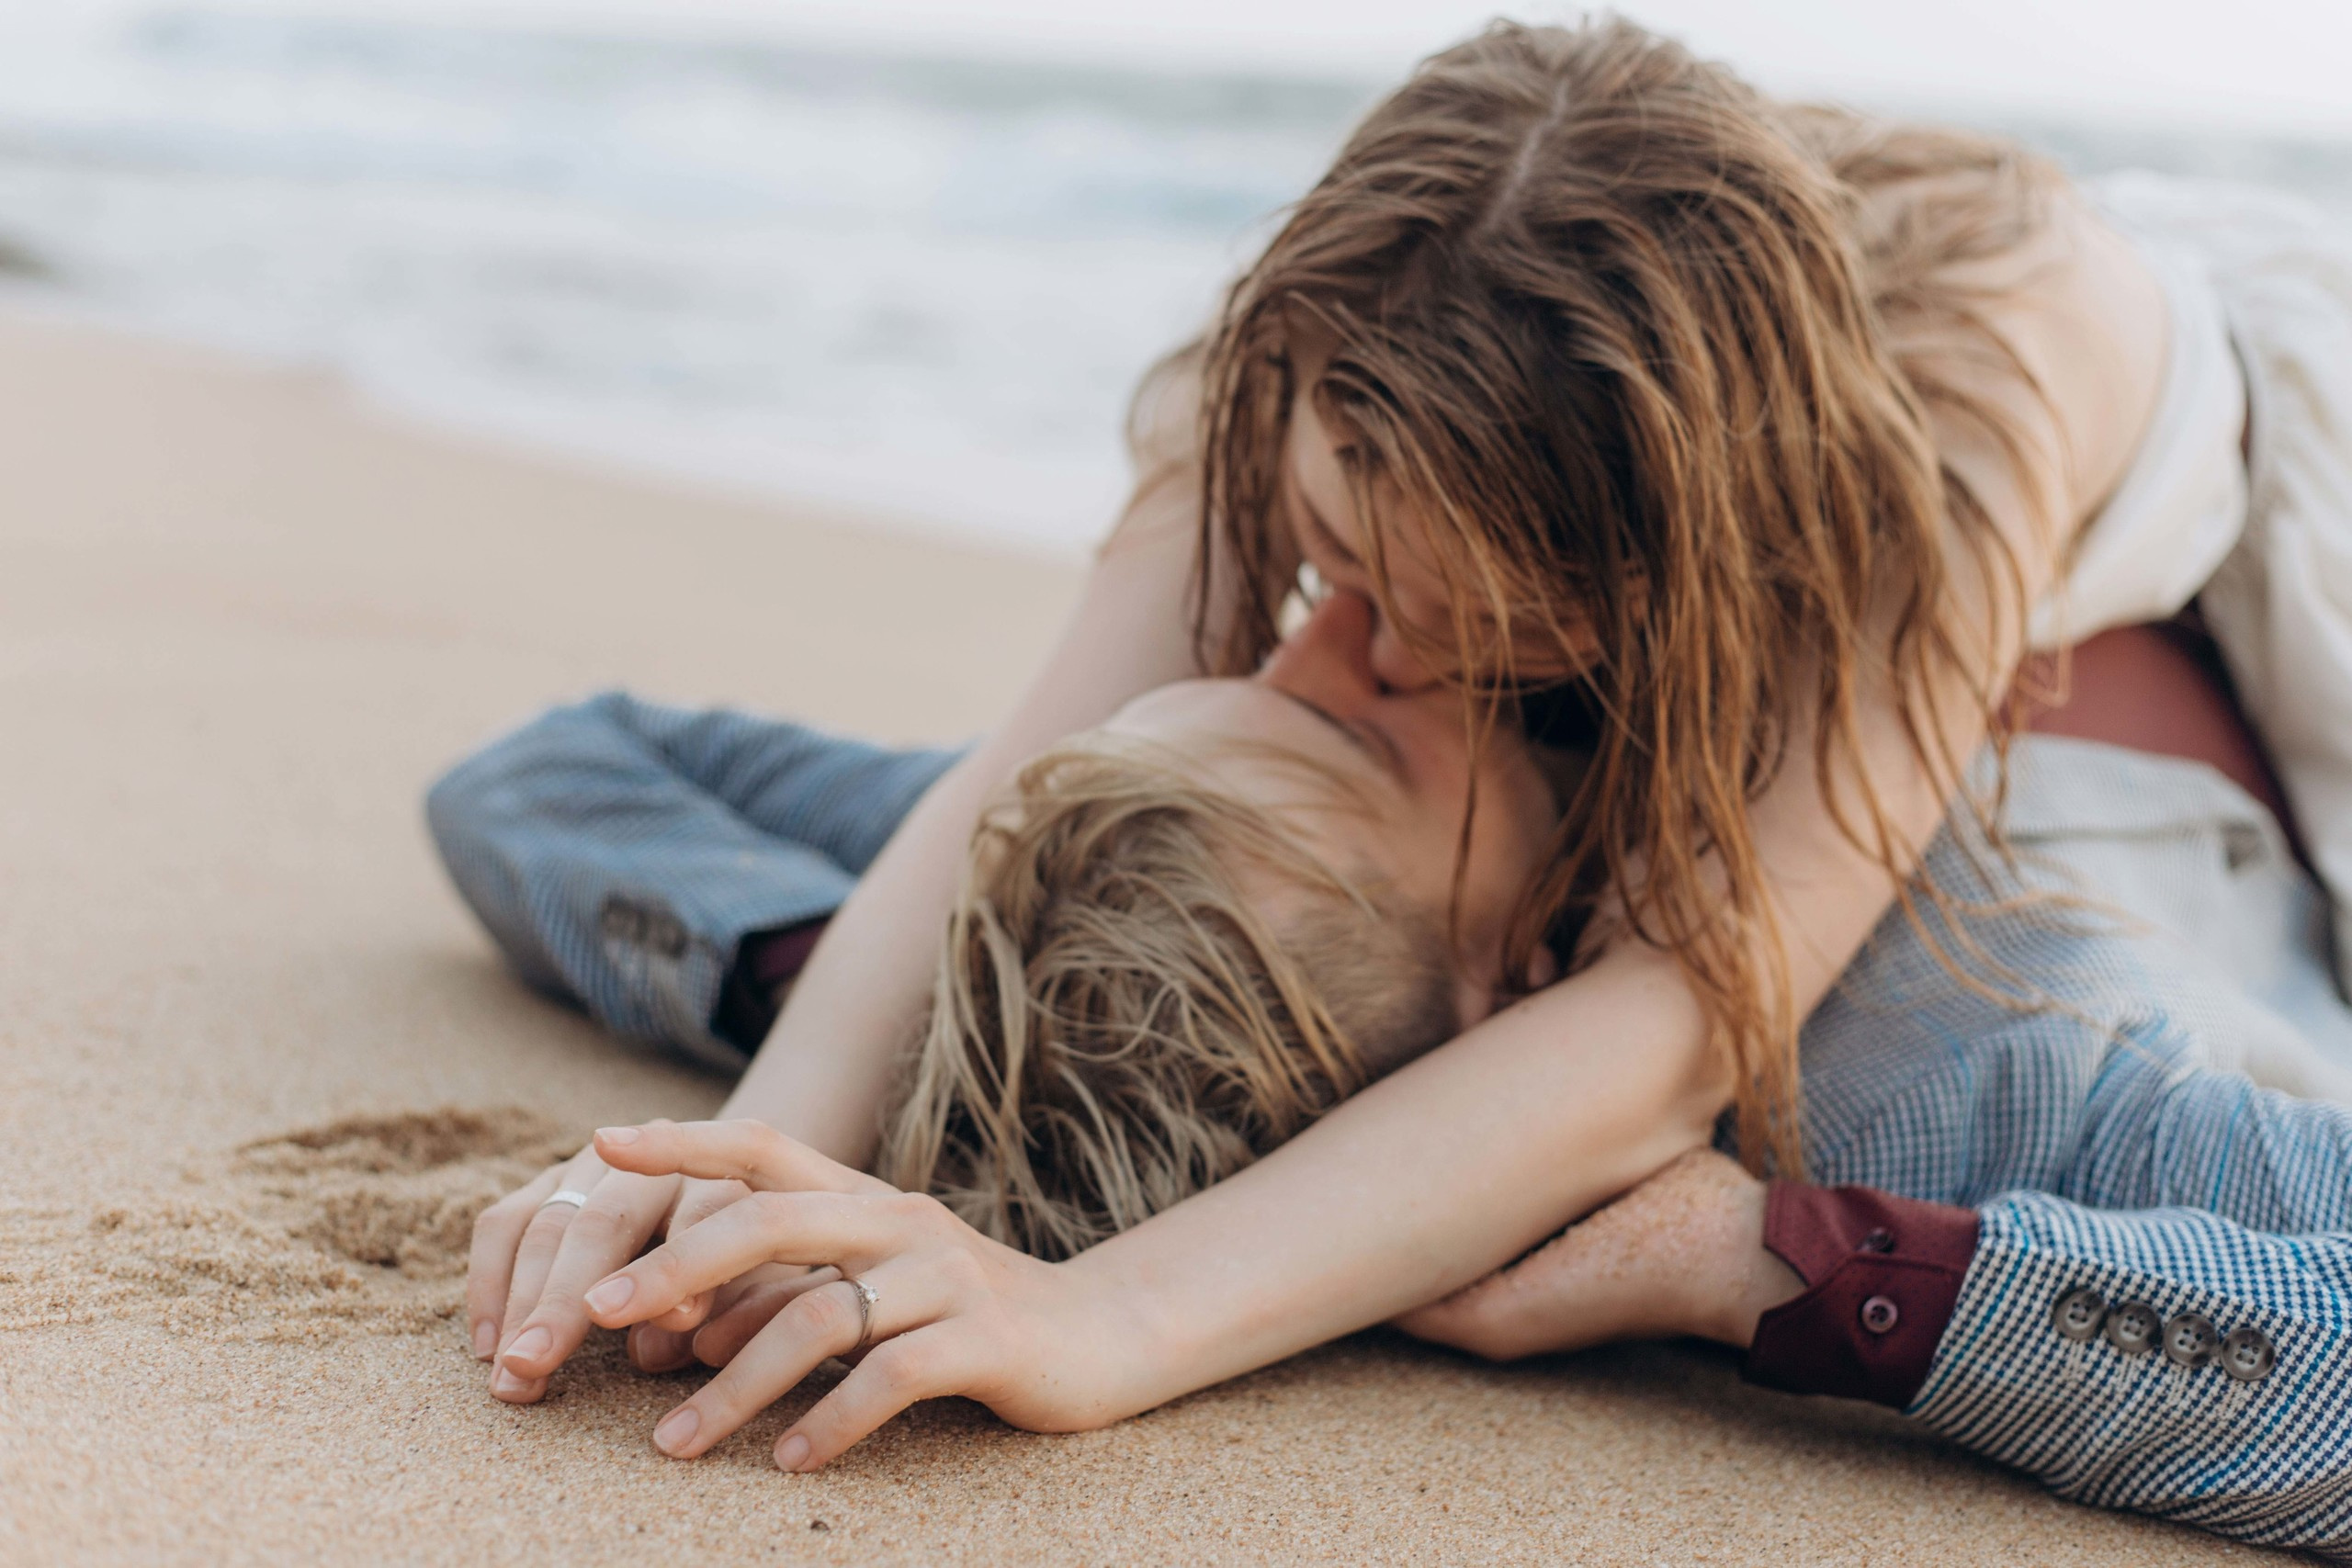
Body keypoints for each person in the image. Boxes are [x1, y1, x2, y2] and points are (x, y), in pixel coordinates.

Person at [453, 11, 2352, 1529]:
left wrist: (1103, 1309)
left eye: (1463, 637)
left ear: (1653, 607)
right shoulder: (1333, 393)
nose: (1316, 639)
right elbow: (1002, 773)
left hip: (2239, 452)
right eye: (1325, 558)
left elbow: (1681, 1024)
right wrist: (830, 1110)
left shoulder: (1913, 522)